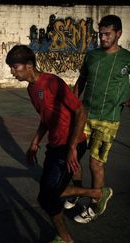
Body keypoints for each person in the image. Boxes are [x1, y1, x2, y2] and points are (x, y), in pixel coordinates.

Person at [6, 45, 113, 243]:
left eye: (15, 67)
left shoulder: (52, 82)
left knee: (48, 196)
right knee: (48, 194)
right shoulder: (32, 89)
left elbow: (80, 111)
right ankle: (96, 193)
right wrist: (35, 142)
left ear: (29, 65)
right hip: (55, 145)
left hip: (70, 143)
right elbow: (46, 119)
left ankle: (66, 237)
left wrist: (72, 147)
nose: (12, 72)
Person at [71, 15, 130, 223]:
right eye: (100, 34)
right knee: (73, 156)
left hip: (109, 120)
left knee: (95, 164)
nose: (103, 38)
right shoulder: (92, 56)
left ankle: (95, 204)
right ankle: (77, 191)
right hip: (85, 115)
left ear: (118, 34)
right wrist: (71, 103)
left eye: (107, 34)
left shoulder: (126, 59)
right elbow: (82, 80)